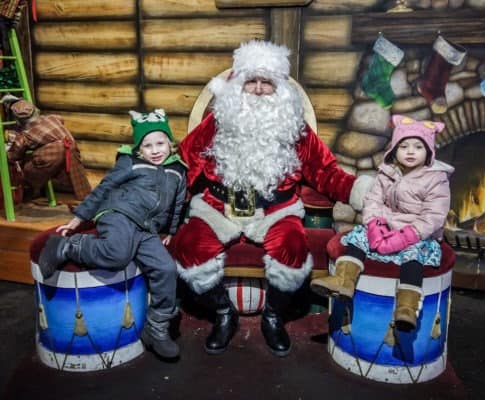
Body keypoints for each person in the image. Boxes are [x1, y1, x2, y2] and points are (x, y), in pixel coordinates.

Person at [172, 40, 373, 357]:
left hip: (275, 209)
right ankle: (224, 314)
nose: (258, 89)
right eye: (251, 81)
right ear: (238, 83)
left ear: (279, 86)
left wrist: (359, 191)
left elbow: (324, 172)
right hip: (217, 206)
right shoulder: (217, 121)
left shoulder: (295, 127)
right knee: (189, 246)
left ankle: (273, 316)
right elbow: (185, 161)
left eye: (266, 82)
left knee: (292, 248)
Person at [37, 109, 187, 359]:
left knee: (166, 269)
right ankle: (69, 246)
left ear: (170, 144)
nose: (155, 150)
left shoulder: (178, 171)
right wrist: (78, 220)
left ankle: (157, 327)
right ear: (139, 149)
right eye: (147, 145)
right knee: (117, 254)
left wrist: (169, 231)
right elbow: (104, 188)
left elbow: (177, 204)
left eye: (160, 143)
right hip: (119, 214)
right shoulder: (130, 162)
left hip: (147, 229)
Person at [310, 114, 454, 331]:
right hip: (385, 228)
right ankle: (343, 280)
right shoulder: (386, 173)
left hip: (416, 234)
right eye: (404, 146)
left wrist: (408, 235)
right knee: (358, 236)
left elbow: (433, 216)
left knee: (414, 256)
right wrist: (374, 225)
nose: (411, 151)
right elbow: (373, 200)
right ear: (395, 150)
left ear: (429, 152)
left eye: (418, 147)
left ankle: (407, 307)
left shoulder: (435, 179)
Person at [1, 95, 91, 200]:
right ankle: (87, 202)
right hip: (71, 147)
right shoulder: (52, 118)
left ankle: (29, 191)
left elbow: (14, 155)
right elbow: (60, 119)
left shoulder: (27, 135)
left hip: (52, 156)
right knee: (79, 180)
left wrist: (8, 153)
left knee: (27, 171)